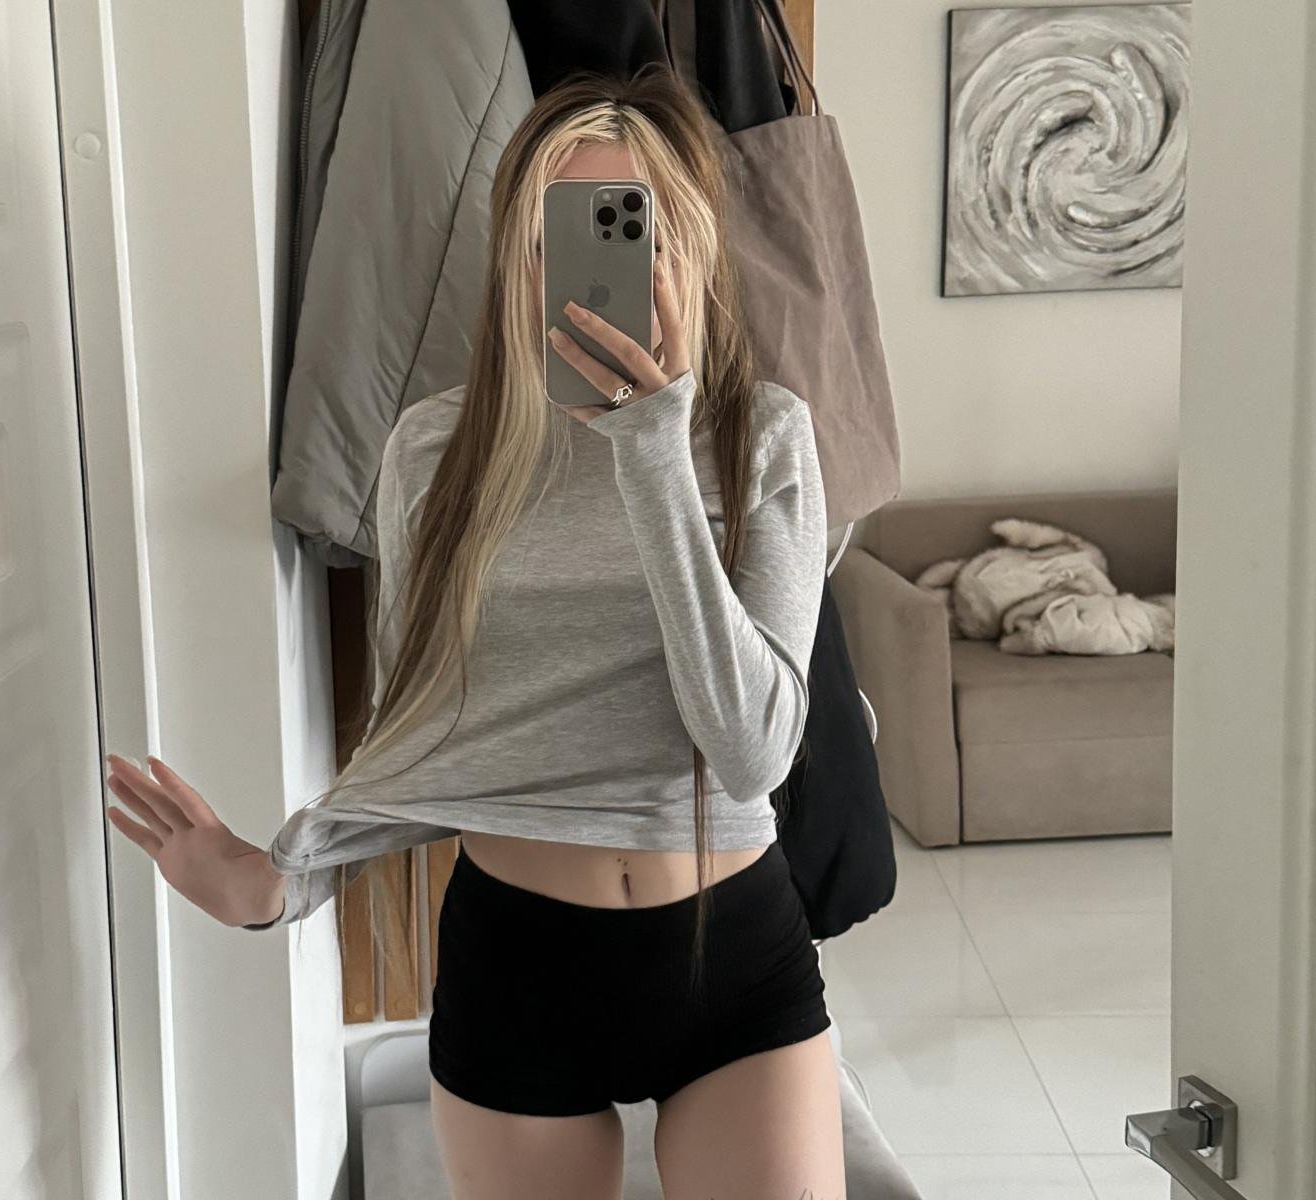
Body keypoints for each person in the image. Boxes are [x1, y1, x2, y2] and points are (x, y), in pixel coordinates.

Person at [102, 65, 842, 1199]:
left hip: (731, 958)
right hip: (516, 965)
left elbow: (751, 754)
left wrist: (654, 446)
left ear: (689, 248)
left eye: (634, 227)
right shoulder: (434, 452)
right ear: (517, 255)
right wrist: (281, 881)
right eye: (564, 233)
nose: (603, 265)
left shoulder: (764, 439)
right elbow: (435, 733)